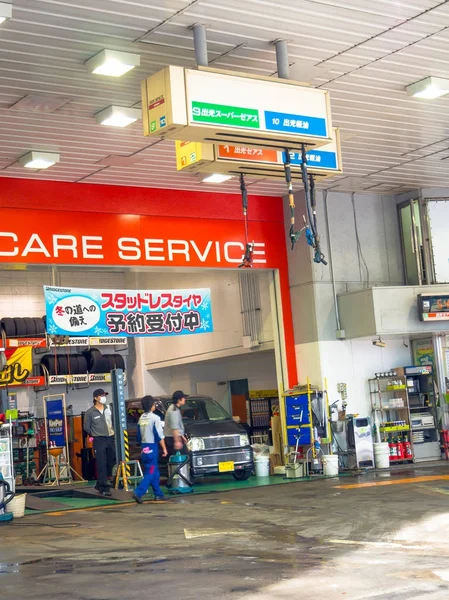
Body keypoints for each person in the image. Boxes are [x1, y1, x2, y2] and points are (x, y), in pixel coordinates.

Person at [133, 395, 167, 503]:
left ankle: (158, 494)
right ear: (152, 406)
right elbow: (159, 436)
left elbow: (138, 436)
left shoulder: (141, 418)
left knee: (155, 472)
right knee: (151, 472)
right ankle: (138, 492)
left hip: (144, 448)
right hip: (152, 448)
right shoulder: (155, 418)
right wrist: (164, 449)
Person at [83, 388, 115, 497]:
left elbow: (113, 421)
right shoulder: (90, 412)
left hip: (110, 438)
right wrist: (95, 434)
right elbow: (86, 427)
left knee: (111, 461)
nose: (103, 397)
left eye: (104, 395)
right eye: (101, 395)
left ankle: (100, 483)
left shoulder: (109, 409)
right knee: (102, 463)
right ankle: (103, 487)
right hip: (99, 440)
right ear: (96, 398)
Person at [164, 390, 187, 456]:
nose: (184, 399)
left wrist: (182, 436)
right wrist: (177, 441)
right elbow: (174, 428)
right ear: (179, 399)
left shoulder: (174, 408)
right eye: (183, 398)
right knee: (183, 457)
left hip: (173, 437)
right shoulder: (174, 410)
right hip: (173, 438)